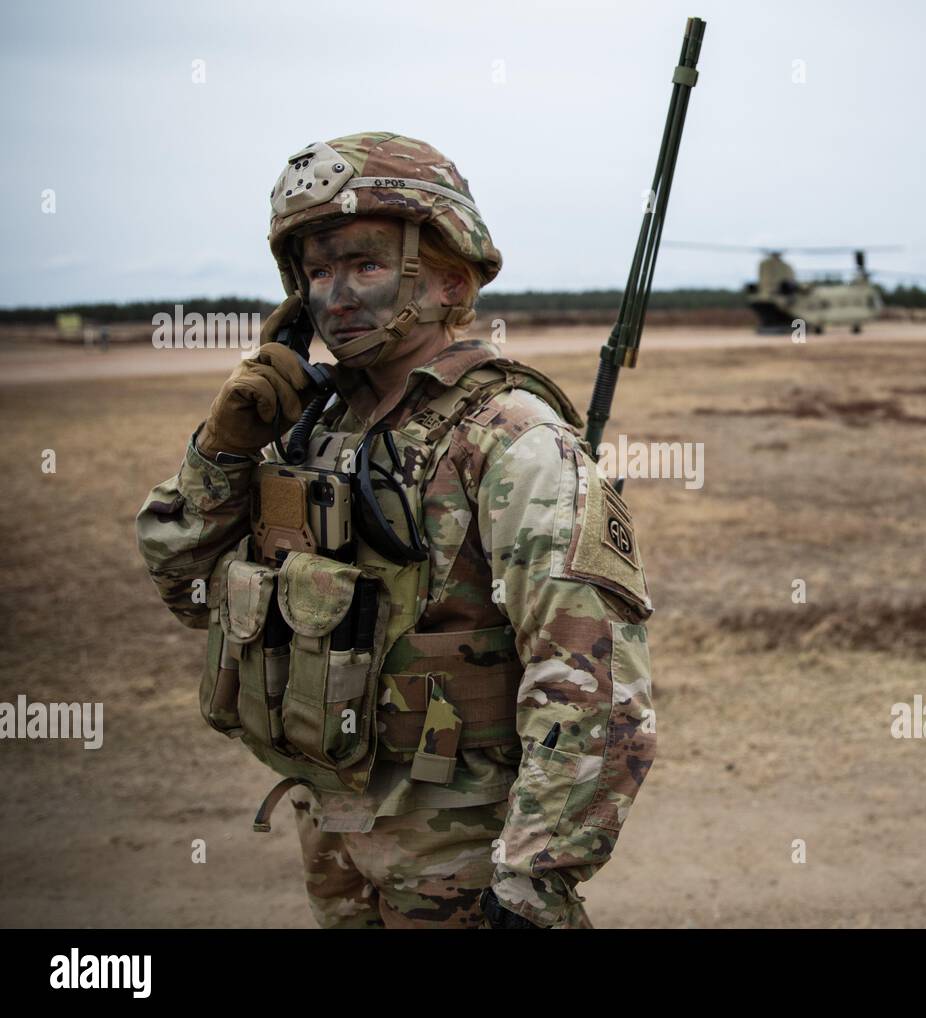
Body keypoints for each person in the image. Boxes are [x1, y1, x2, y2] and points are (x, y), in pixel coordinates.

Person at [135, 132, 656, 929]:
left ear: (451, 278)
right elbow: (186, 585)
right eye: (317, 270)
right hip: (335, 829)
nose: (335, 294)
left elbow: (592, 679)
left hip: (463, 850)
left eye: (366, 264)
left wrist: (534, 880)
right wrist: (224, 447)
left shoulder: (512, 437)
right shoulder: (307, 428)